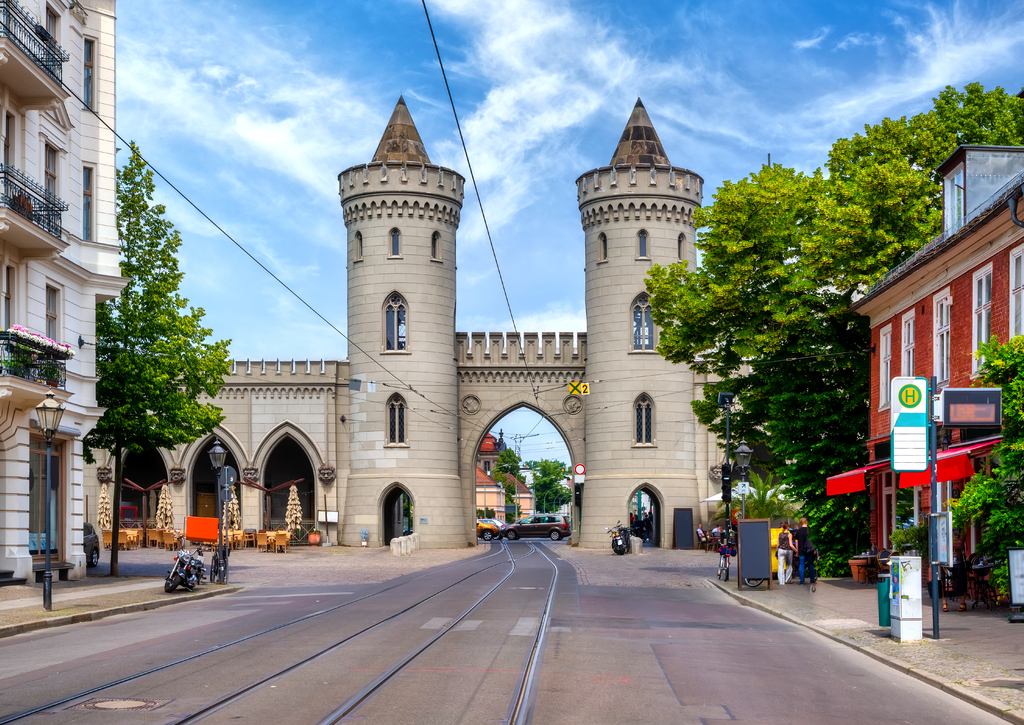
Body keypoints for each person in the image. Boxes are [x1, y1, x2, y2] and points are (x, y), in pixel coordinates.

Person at [942, 534, 969, 612]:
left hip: (959, 560)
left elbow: (963, 539)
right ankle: (944, 602)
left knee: (961, 579)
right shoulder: (946, 533)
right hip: (946, 560)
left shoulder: (961, 533)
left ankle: (962, 602)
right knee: (943, 580)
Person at [777, 522, 795, 586]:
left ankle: (781, 582)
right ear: (788, 527)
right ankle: (787, 579)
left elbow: (778, 544)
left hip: (780, 550)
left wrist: (777, 552)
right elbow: (791, 545)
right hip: (788, 551)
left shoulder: (779, 534)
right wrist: (796, 550)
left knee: (780, 566)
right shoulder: (789, 534)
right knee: (789, 565)